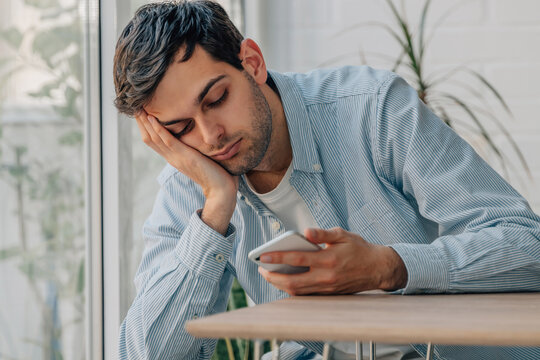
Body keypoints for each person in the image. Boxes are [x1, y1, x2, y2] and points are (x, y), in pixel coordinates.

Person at [113, 1, 540, 359]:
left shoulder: (373, 109)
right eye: (181, 128)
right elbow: (146, 354)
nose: (210, 136)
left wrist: (389, 267)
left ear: (252, 63)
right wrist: (217, 205)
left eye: (217, 99)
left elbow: (526, 244)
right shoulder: (194, 182)